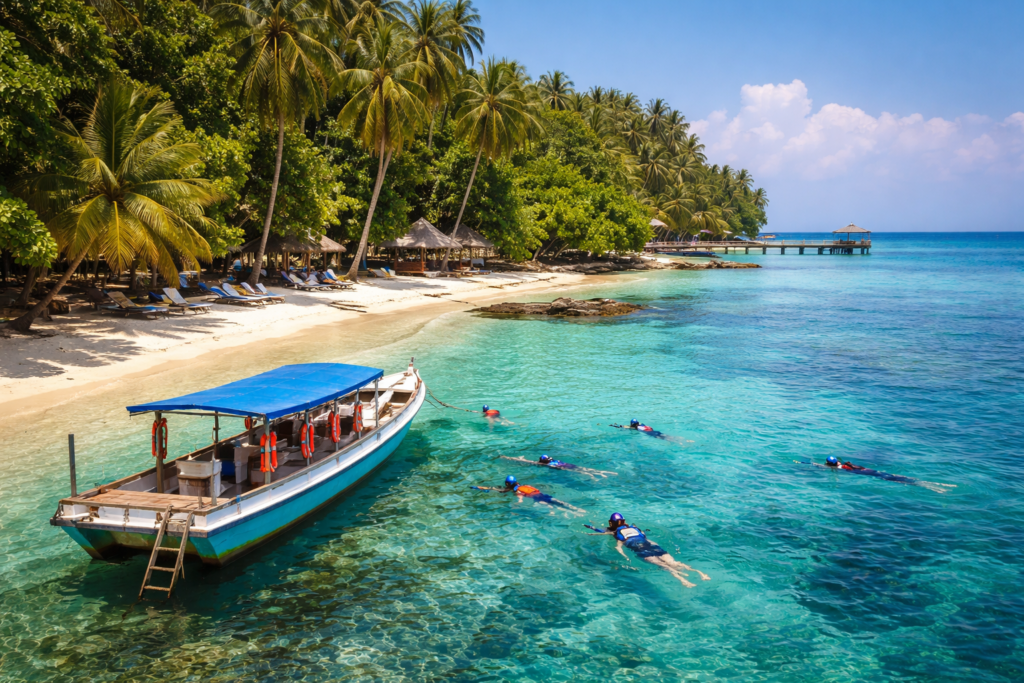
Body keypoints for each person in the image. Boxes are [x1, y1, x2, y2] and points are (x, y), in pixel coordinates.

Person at [586, 513, 710, 589]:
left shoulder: (615, 533)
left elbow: (618, 546)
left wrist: (624, 556)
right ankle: (701, 574)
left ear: (611, 523)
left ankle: (684, 580)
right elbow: (645, 537)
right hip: (652, 545)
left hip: (641, 551)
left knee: (663, 566)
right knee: (674, 563)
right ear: (624, 522)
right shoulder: (634, 527)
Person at [800, 456, 955, 493]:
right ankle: (933, 483)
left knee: (899, 481)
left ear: (829, 463)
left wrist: (805, 463)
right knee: (897, 477)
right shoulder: (845, 463)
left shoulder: (838, 469)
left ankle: (934, 488)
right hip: (872, 471)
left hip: (872, 475)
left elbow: (821, 466)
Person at [472, 475, 582, 511]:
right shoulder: (524, 486)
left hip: (537, 499)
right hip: (543, 495)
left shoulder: (517, 491)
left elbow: (520, 499)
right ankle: (579, 510)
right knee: (559, 503)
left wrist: (515, 506)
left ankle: (575, 513)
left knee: (555, 508)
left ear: (507, 484)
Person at [499, 454, 617, 478]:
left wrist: (509, 458)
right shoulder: (553, 460)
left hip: (563, 467)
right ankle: (606, 472)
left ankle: (594, 476)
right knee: (585, 469)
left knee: (582, 472)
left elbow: (531, 462)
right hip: (567, 464)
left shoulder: (544, 464)